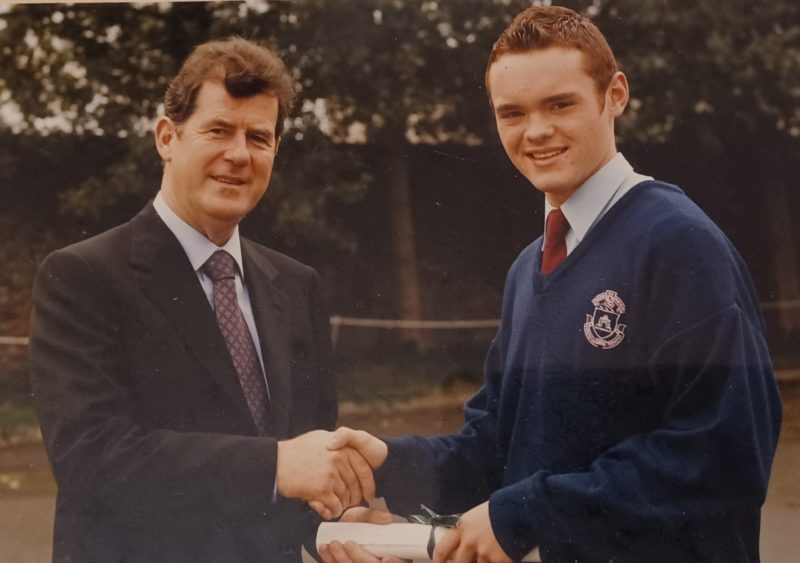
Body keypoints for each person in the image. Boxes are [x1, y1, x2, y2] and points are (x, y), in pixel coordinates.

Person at [320, 6, 782, 563]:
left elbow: (725, 457)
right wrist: (390, 465)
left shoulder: (679, 243)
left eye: (560, 104)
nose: (536, 131)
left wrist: (526, 513)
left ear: (615, 95)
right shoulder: (528, 267)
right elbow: (501, 443)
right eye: (512, 113)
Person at [29, 37, 383, 563]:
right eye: (218, 130)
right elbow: (90, 457)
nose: (238, 154)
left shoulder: (296, 285)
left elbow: (308, 457)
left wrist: (340, 519)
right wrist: (275, 465)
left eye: (258, 137)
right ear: (167, 138)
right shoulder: (83, 276)